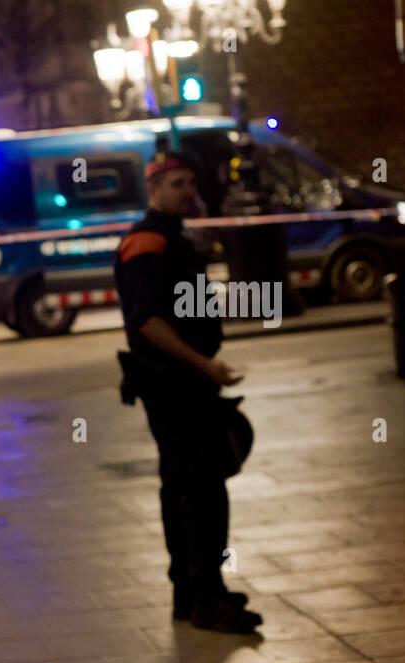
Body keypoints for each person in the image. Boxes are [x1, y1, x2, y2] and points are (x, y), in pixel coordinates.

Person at [113, 151, 262, 634]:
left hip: (186, 382)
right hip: (173, 384)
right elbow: (148, 321)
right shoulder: (147, 243)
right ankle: (205, 597)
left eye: (190, 182)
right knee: (199, 492)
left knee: (189, 487)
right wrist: (204, 364)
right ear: (153, 188)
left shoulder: (175, 239)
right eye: (176, 183)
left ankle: (195, 592)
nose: (187, 190)